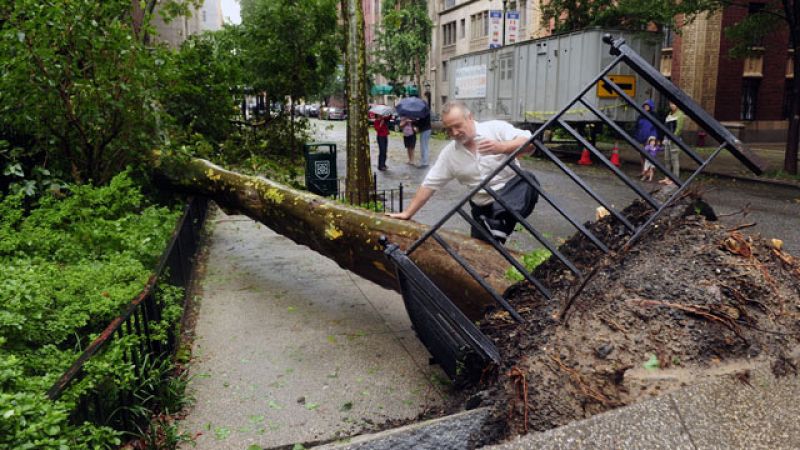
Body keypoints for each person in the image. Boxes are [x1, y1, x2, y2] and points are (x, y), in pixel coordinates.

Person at [388, 101, 538, 244]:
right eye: (449, 129)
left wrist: (501, 147)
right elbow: (429, 184)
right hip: (483, 207)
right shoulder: (449, 154)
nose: (454, 132)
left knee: (528, 180)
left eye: (458, 126)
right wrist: (408, 213)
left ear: (470, 118)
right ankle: (494, 226)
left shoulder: (495, 128)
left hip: (512, 193)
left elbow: (530, 143)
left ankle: (500, 223)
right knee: (479, 253)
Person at [660, 101, 686, 185]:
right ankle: (667, 177)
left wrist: (673, 137)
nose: (672, 105)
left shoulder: (680, 115)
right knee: (667, 159)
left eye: (674, 104)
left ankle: (675, 178)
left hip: (674, 140)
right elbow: (665, 127)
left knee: (674, 159)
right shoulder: (669, 114)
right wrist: (664, 137)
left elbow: (679, 128)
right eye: (670, 104)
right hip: (667, 139)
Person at [634, 99, 657, 166]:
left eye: (647, 106)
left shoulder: (654, 116)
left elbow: (656, 128)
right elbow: (637, 127)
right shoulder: (640, 116)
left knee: (650, 155)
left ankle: (649, 171)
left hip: (650, 138)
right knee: (641, 154)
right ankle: (643, 170)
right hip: (641, 138)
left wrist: (655, 138)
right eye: (645, 106)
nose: (646, 107)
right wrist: (636, 136)